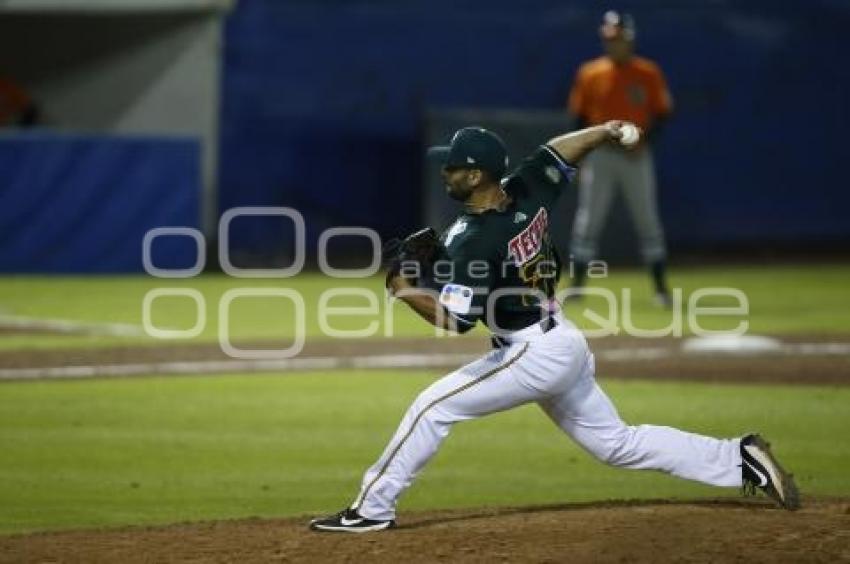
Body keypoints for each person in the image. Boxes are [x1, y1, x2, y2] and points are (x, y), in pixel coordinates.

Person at [309, 123, 799, 533]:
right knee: (616, 443)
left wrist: (402, 289)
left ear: (475, 174)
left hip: (532, 353)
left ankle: (370, 510)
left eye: (453, 166)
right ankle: (740, 458)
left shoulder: (472, 239)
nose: (445, 172)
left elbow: (455, 320)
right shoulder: (527, 188)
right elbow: (558, 151)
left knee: (431, 407)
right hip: (561, 338)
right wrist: (605, 131)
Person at [567, 10, 673, 305]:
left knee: (647, 221)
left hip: (636, 156)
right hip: (601, 154)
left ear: (630, 38)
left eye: (618, 38)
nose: (613, 44)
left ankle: (661, 290)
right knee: (588, 222)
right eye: (609, 39)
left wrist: (644, 141)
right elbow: (578, 118)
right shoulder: (590, 72)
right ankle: (576, 287)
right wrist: (581, 155)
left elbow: (663, 114)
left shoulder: (648, 72)